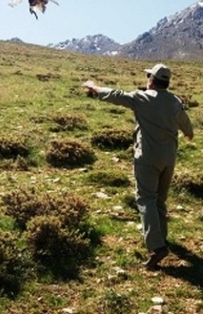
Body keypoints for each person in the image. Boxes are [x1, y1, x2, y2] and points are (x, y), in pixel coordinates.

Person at [82, 63, 194, 269]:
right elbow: (186, 125)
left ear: (151, 80)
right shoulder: (175, 101)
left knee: (145, 199)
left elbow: (116, 94)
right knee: (160, 200)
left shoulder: (142, 98)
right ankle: (162, 238)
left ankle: (156, 247)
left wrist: (94, 87)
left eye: (148, 76)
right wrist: (188, 134)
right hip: (169, 158)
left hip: (148, 158)